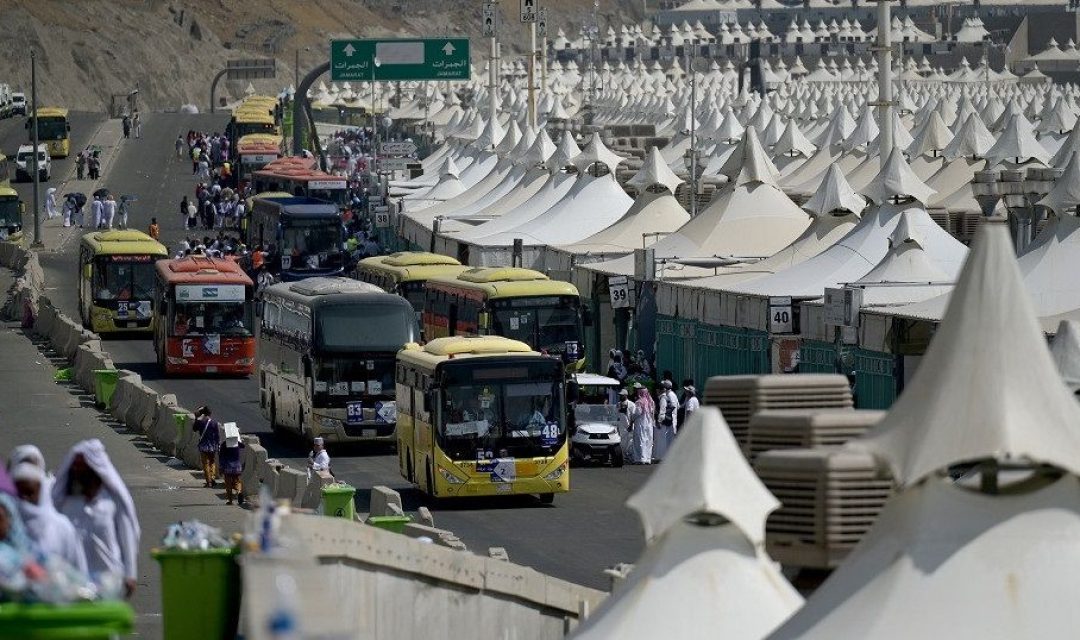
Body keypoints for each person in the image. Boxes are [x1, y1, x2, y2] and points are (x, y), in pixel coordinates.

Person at [52, 439, 140, 598]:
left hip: (109, 581)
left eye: (82, 468)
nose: (78, 471)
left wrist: (130, 573)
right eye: (75, 467)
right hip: (73, 583)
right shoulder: (66, 502)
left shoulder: (112, 501)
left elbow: (128, 535)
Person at [10, 462, 87, 574]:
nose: (24, 500)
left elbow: (78, 571)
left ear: (41, 492)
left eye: (29, 493)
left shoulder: (62, 527)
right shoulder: (6, 526)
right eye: (19, 494)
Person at [192, 407, 220, 488]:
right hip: (212, 446)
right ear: (210, 413)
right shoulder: (214, 423)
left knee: (205, 464)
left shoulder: (200, 422)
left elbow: (194, 429)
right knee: (212, 462)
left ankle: (209, 482)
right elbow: (217, 436)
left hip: (203, 446)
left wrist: (196, 418)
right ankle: (213, 477)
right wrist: (217, 445)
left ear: (203, 414)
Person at [628, 383, 654, 464]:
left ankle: (640, 458)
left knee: (640, 440)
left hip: (640, 423)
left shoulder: (639, 402)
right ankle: (647, 458)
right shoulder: (650, 401)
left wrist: (631, 420)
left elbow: (637, 413)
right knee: (648, 440)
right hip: (649, 424)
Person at [218, 430, 245, 506]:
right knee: (237, 481)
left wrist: (221, 468)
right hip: (237, 467)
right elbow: (243, 446)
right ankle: (239, 492)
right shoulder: (237, 443)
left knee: (228, 484)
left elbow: (221, 458)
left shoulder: (224, 444)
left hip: (228, 467)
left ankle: (230, 501)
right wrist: (238, 437)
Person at [654, 379, 679, 462]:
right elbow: (677, 406)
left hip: (666, 420)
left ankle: (662, 457)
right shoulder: (671, 395)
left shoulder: (665, 397)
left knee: (663, 440)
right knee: (667, 439)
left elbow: (662, 411)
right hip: (670, 419)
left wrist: (659, 421)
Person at [616, 388, 635, 459]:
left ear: (626, 395)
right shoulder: (618, 404)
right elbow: (617, 415)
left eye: (622, 395)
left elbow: (633, 416)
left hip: (629, 426)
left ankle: (629, 455)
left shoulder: (631, 404)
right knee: (622, 442)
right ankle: (623, 456)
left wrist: (631, 425)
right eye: (620, 395)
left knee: (629, 441)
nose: (620, 397)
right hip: (621, 426)